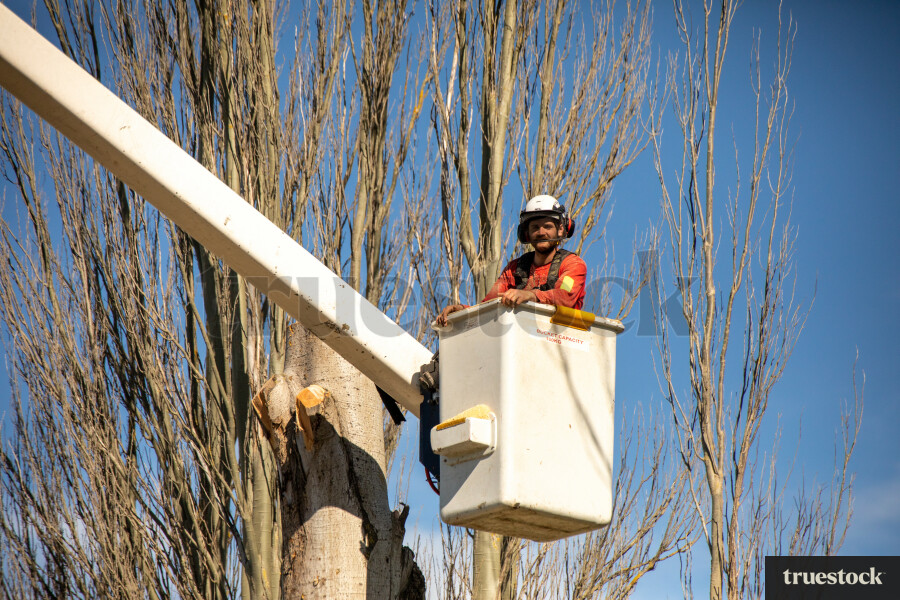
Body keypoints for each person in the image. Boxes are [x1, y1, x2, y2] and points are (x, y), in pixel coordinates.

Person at [436, 195, 586, 326]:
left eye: (547, 226)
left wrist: (530, 295)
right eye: (535, 227)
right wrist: (462, 311)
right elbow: (488, 306)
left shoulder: (573, 265)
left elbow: (564, 296)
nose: (541, 233)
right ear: (526, 233)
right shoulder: (515, 268)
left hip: (561, 341)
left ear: (560, 229)